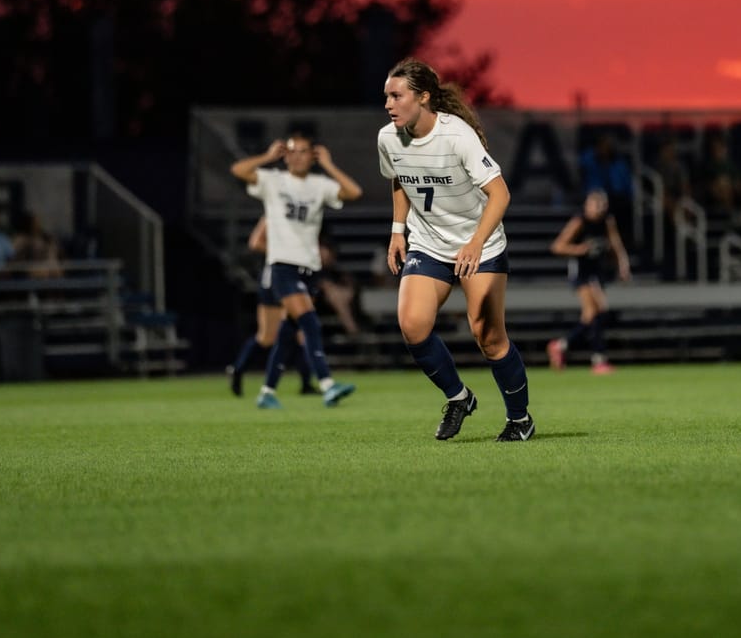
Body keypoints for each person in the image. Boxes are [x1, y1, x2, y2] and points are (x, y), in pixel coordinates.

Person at [379, 57, 535, 442]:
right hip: (429, 243)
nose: (388, 104)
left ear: (424, 98)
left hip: (479, 244)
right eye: (387, 96)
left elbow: (500, 194)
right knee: (413, 326)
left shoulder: (457, 136)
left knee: (488, 336)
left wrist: (476, 243)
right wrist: (398, 231)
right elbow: (399, 179)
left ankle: (520, 420)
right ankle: (458, 397)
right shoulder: (388, 137)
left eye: (397, 96)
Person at [230, 130, 362, 409]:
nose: (298, 156)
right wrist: (267, 156)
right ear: (285, 154)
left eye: (304, 151)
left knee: (288, 333)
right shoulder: (273, 180)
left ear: (312, 156)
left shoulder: (319, 184)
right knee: (309, 323)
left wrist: (328, 164)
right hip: (283, 266)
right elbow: (238, 170)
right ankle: (327, 383)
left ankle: (267, 392)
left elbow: (354, 192)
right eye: (293, 150)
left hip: (310, 267)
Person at [227, 217, 318, 398]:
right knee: (267, 337)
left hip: (297, 274)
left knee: (301, 331)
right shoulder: (275, 211)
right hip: (277, 275)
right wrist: (284, 254)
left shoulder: (304, 208)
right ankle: (238, 369)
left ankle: (306, 383)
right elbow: (255, 243)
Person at [547, 189, 631, 374]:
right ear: (586, 206)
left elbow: (615, 243)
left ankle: (561, 346)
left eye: (601, 205)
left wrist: (623, 265)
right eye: (595, 204)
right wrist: (582, 249)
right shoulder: (579, 221)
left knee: (595, 313)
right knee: (595, 311)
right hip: (581, 271)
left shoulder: (607, 221)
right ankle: (598, 359)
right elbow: (558, 246)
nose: (598, 209)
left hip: (596, 271)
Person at [578, 132, 635, 247]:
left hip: (616, 201)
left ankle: (622, 239)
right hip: (595, 197)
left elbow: (625, 186)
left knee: (616, 215)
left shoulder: (618, 163)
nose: (606, 149)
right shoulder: (589, 159)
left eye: (608, 146)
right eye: (603, 145)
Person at [11, 211, 63, 279]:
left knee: (55, 269)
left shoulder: (45, 238)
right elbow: (14, 256)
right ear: (29, 223)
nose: (38, 224)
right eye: (35, 222)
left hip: (48, 265)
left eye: (38, 221)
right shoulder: (21, 239)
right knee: (43, 272)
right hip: (29, 267)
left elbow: (57, 252)